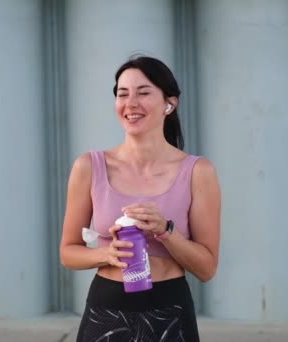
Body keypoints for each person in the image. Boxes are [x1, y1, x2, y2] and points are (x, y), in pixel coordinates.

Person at [60, 55, 221, 341]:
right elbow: (68, 251)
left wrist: (165, 232)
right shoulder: (88, 166)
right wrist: (106, 254)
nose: (131, 103)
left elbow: (207, 268)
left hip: (169, 311)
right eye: (123, 94)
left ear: (169, 104)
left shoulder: (198, 171)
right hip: (105, 310)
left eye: (143, 93)